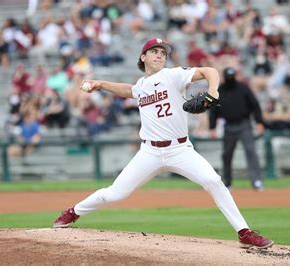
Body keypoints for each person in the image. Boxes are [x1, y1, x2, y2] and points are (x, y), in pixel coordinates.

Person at [52, 38, 273, 249]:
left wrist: (213, 90)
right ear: (143, 57)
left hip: (180, 150)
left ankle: (244, 232)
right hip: (149, 152)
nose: (160, 55)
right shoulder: (141, 86)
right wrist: (100, 84)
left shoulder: (173, 75)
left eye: (163, 53)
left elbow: (210, 71)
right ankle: (74, 211)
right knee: (116, 193)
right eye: (154, 52)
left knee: (213, 181)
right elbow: (128, 90)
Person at [209, 67, 265, 191]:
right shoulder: (220, 90)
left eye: (232, 76)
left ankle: (256, 181)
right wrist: (212, 127)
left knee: (251, 152)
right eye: (228, 76)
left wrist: (259, 122)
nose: (230, 78)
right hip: (228, 126)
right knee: (226, 155)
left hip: (244, 124)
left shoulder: (243, 88)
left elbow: (255, 106)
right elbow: (213, 111)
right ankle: (228, 182)